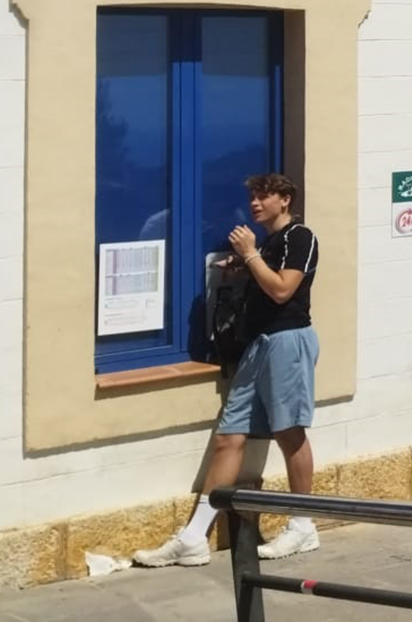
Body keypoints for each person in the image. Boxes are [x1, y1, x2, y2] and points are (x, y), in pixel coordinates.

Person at [135, 174, 321, 567]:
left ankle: (303, 525)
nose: (254, 203)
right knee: (230, 436)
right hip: (259, 347)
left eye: (263, 196)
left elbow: (284, 290)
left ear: (285, 200)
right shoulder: (270, 243)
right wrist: (245, 264)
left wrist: (250, 255)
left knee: (289, 432)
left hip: (287, 341)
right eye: (252, 196)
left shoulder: (299, 237)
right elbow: (265, 280)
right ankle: (193, 537)